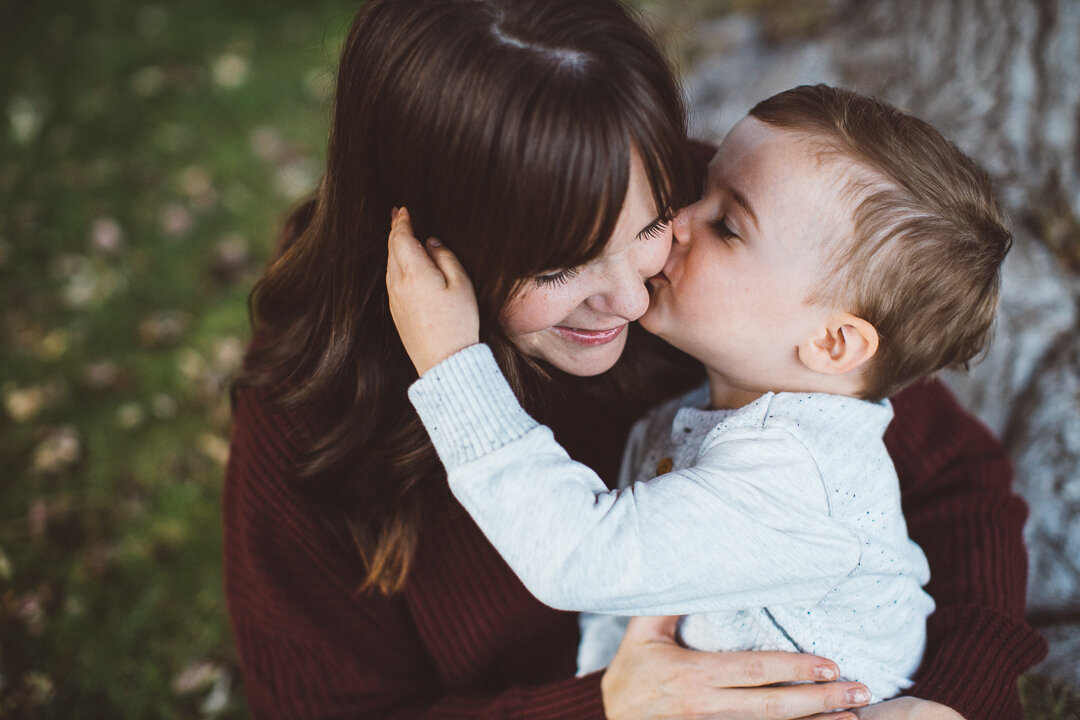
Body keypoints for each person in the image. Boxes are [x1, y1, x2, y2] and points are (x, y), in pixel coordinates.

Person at [224, 1, 1046, 719]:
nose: (630, 297)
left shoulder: (724, 245)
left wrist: (951, 700)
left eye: (650, 223)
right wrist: (607, 709)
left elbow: (955, 483)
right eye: (557, 268)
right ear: (433, 243)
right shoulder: (306, 419)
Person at [386, 84, 1014, 703]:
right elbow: (622, 621)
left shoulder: (792, 480)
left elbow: (578, 556)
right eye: (700, 187)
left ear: (831, 345)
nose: (676, 221)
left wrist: (451, 364)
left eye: (728, 227)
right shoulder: (704, 423)